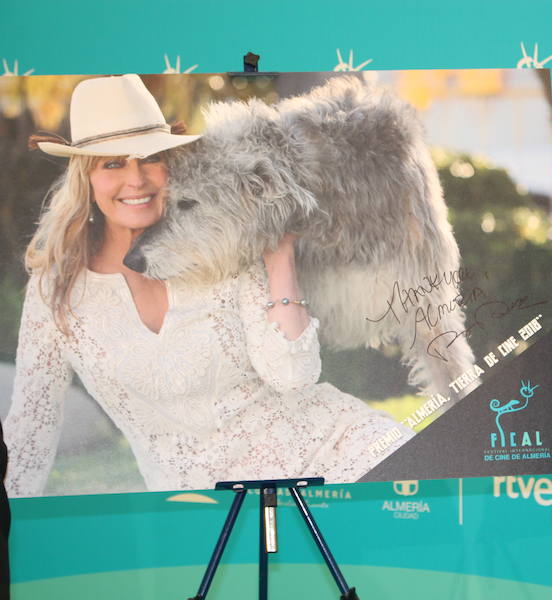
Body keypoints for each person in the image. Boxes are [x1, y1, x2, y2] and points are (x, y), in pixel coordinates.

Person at [4, 74, 408, 497]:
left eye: (149, 159)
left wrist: (278, 254)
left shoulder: (222, 250)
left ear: (170, 167)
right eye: (113, 163)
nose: (136, 179)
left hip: (337, 453)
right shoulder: (58, 291)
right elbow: (31, 429)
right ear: (85, 180)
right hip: (201, 506)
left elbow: (292, 376)